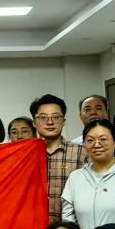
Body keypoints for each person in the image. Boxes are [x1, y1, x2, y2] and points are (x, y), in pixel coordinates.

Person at [32, 94, 81, 222]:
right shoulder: (25, 155)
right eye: (43, 117)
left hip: (71, 227)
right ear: (34, 122)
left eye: (56, 117)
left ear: (63, 121)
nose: (50, 122)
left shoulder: (81, 153)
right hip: (32, 226)